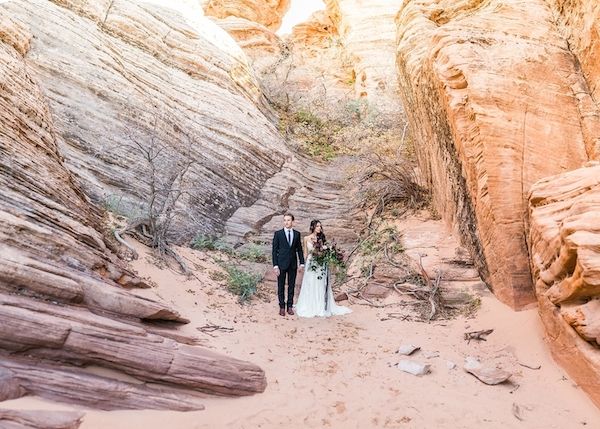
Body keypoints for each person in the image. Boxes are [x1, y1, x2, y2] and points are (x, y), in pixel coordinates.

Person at [295, 220, 352, 318]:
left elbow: (324, 251)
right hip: (311, 263)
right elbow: (305, 253)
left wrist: (326, 254)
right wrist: (302, 264)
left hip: (321, 264)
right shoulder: (306, 238)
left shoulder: (322, 239)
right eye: (317, 226)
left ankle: (320, 306)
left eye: (320, 226)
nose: (319, 228)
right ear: (313, 227)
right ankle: (309, 305)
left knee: (320, 284)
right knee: (310, 283)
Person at [272, 213, 305, 316]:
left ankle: (289, 306)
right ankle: (282, 306)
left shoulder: (297, 234)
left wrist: (302, 262)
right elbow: (274, 251)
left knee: (291, 286)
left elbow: (299, 249)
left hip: (293, 264)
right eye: (285, 220)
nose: (286, 222)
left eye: (288, 220)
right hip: (281, 264)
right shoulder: (278, 234)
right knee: (281, 285)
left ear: (292, 222)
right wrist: (275, 265)